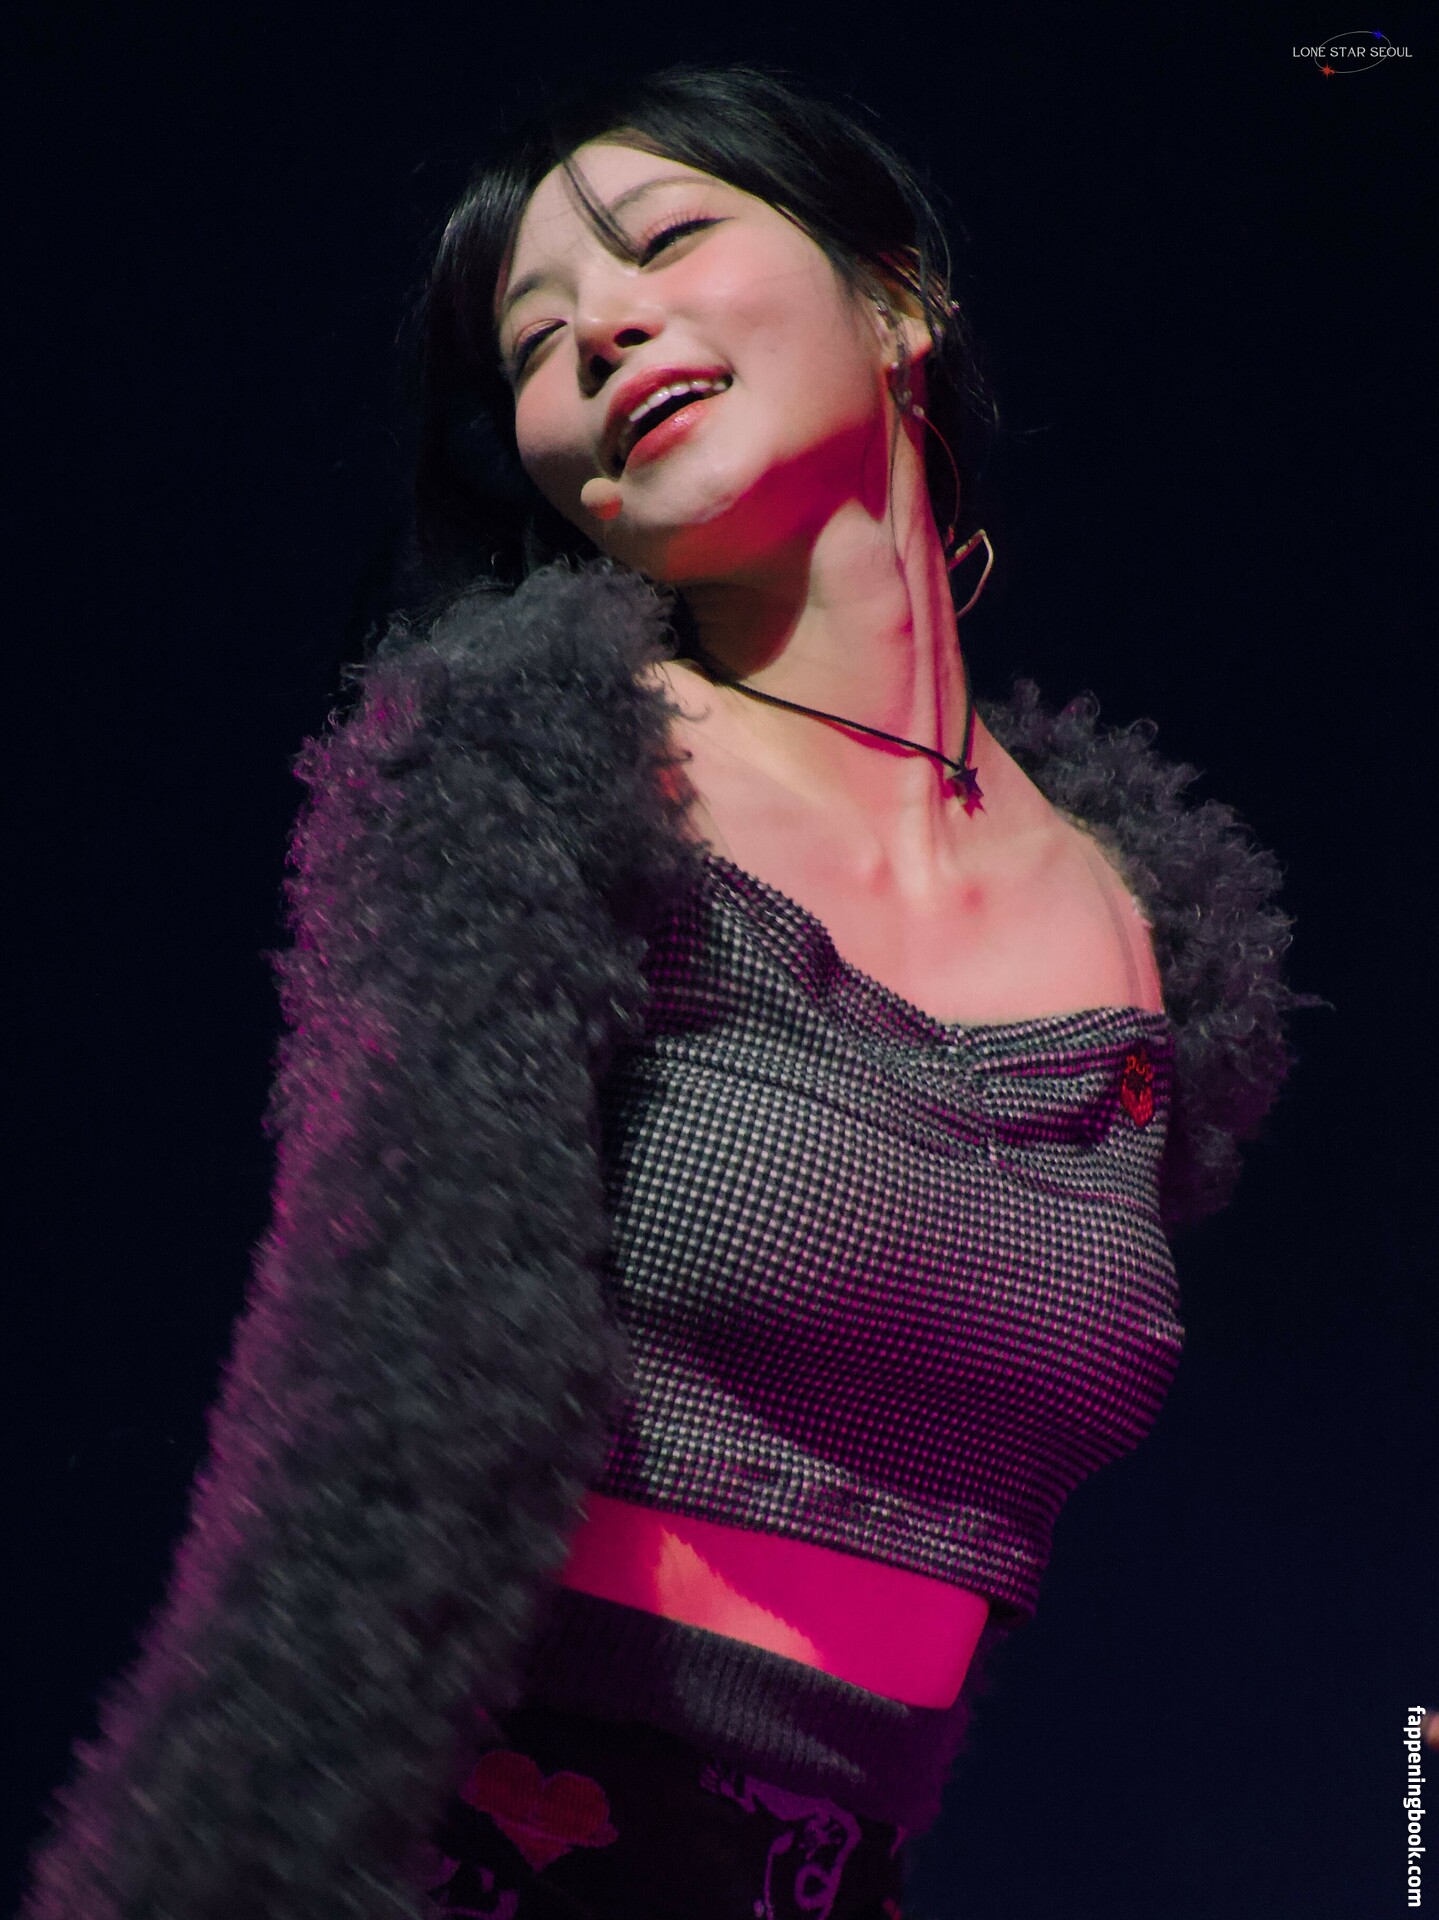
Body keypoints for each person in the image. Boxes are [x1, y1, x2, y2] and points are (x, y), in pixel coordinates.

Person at [20, 63, 1315, 1920]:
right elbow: (361, 1429)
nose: (603, 331)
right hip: (488, 1846)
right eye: (536, 343)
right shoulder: (536, 770)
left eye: (669, 240)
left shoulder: (1148, 931)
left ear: (899, 298)